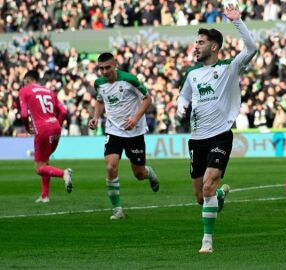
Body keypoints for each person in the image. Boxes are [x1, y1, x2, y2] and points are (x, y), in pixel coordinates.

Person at [176, 4, 256, 253]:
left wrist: (237, 21)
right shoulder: (192, 74)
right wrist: (181, 106)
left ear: (213, 46)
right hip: (196, 139)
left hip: (220, 135)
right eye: (196, 42)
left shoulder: (229, 68)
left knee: (208, 185)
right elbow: (184, 96)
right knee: (202, 196)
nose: (196, 46)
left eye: (200, 42)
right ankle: (219, 196)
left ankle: (207, 241)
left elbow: (252, 48)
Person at [88, 52, 160, 220]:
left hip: (134, 132)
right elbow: (100, 100)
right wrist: (96, 117)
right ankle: (117, 209)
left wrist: (135, 118)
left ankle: (150, 173)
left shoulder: (129, 80)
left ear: (115, 65)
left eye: (107, 67)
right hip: (113, 131)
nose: (104, 72)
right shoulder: (99, 83)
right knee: (110, 167)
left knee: (139, 174)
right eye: (101, 68)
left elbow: (148, 99)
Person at [19, 70, 72, 203]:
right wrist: (56, 127)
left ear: (26, 81)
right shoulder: (49, 91)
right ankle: (45, 196)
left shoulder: (25, 90)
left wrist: (27, 127)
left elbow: (25, 115)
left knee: (39, 168)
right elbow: (64, 111)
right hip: (55, 128)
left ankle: (64, 174)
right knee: (45, 162)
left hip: (42, 130)